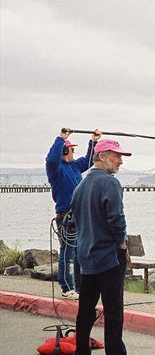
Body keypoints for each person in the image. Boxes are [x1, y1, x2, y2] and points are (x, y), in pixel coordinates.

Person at [71, 139, 145, 355]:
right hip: (108, 255)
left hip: (86, 254)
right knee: (113, 310)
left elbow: (74, 220)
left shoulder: (80, 186)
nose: (121, 161)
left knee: (86, 308)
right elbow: (116, 219)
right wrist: (122, 243)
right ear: (101, 156)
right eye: (116, 156)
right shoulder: (110, 184)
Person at [45, 127, 101, 300]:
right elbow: (51, 159)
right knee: (67, 253)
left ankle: (79, 287)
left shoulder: (74, 166)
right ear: (64, 151)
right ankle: (66, 287)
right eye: (71, 150)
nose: (74, 152)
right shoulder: (56, 169)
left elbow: (89, 160)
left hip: (79, 215)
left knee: (79, 253)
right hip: (66, 216)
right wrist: (61, 138)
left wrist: (93, 141)